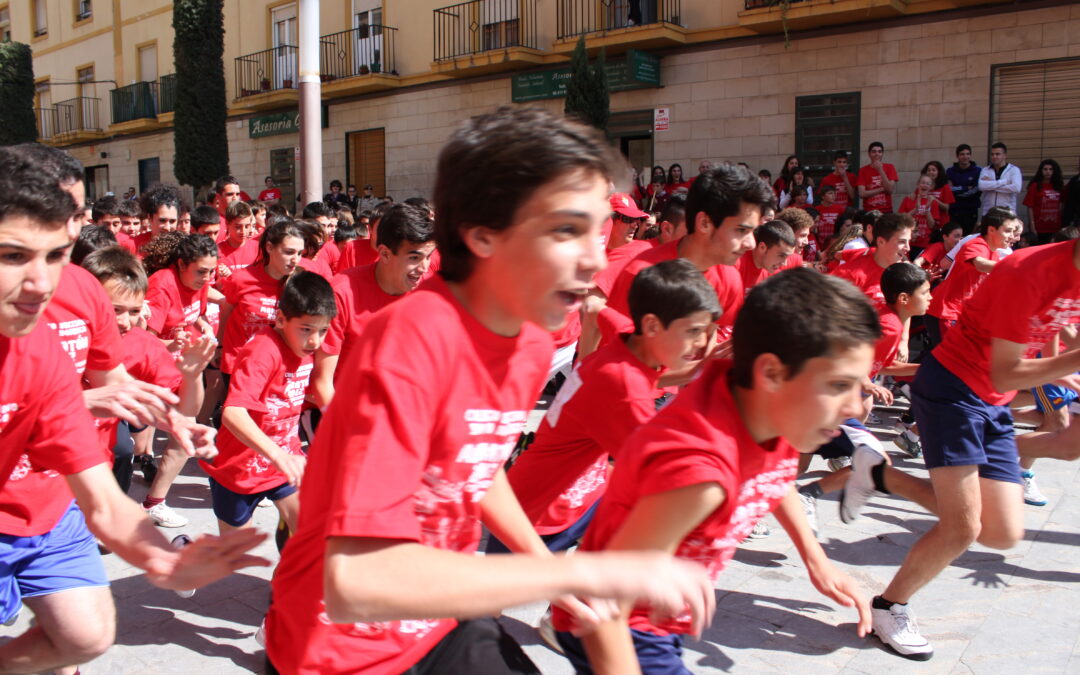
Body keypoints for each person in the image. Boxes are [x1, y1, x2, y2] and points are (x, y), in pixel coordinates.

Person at [265, 107, 716, 675]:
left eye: (598, 230)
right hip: (338, 652)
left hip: (438, 620)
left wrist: (544, 563)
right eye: (567, 230)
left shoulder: (530, 338)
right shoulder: (412, 340)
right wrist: (574, 572)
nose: (597, 257)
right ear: (482, 235)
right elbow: (357, 581)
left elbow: (473, 465)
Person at [0, 144, 267, 675]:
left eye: (56, 254)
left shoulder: (45, 342)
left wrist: (163, 559)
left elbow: (101, 495)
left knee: (86, 635)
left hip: (48, 511)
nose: (42, 284)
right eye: (14, 256)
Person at [552, 268, 874, 672]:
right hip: (625, 626)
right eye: (838, 385)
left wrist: (817, 561)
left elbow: (772, 478)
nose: (855, 408)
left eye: (858, 387)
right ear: (772, 372)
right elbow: (605, 598)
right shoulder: (698, 472)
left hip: (657, 615)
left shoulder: (773, 407)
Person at [841, 231, 1080, 661]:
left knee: (1002, 532)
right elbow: (1007, 372)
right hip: (954, 389)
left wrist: (1058, 357)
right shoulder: (1027, 271)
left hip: (993, 401)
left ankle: (879, 473)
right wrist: (1068, 361)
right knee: (962, 528)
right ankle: (888, 607)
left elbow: (1056, 321)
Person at [500, 260, 719, 557]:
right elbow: (664, 472)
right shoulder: (625, 392)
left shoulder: (630, 335)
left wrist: (700, 368)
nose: (702, 342)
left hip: (576, 500)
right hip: (537, 517)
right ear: (653, 325)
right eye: (693, 331)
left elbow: (596, 308)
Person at [202, 270, 334, 542]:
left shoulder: (305, 350)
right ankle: (184, 553)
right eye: (306, 329)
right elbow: (233, 413)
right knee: (231, 553)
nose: (315, 341)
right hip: (241, 468)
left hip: (286, 461)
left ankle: (287, 581)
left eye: (322, 330)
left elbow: (298, 395)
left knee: (309, 532)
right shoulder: (263, 352)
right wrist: (276, 454)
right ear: (281, 319)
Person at [80, 246, 213, 496]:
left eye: (134, 311)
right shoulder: (56, 334)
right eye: (115, 309)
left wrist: (192, 375)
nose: (124, 321)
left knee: (121, 451)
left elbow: (186, 410)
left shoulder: (140, 342)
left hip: (98, 461)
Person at [310, 204, 437, 408]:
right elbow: (322, 381)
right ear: (385, 254)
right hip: (353, 415)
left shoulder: (431, 292)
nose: (424, 268)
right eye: (414, 258)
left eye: (429, 257)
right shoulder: (342, 292)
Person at [141, 234, 219, 527]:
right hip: (152, 371)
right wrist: (170, 343)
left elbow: (195, 316)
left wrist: (205, 328)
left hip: (182, 368)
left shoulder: (200, 282)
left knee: (185, 432)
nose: (207, 278)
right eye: (201, 271)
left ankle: (154, 503)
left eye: (211, 271)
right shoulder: (162, 284)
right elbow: (143, 340)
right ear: (181, 264)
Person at [923, 207, 1021, 349]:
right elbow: (980, 264)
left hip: (961, 315)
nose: (1012, 236)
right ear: (992, 230)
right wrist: (1015, 267)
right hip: (945, 313)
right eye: (1007, 231)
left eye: (1013, 231)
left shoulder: (993, 251)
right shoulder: (976, 244)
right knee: (949, 361)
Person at [832, 213, 914, 310]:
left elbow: (904, 315)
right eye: (902, 242)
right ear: (880, 242)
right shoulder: (849, 275)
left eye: (909, 241)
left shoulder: (904, 273)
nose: (908, 248)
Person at [736, 219, 796, 292]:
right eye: (781, 255)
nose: (784, 263)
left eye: (787, 257)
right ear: (762, 247)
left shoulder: (773, 276)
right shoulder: (736, 265)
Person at [1023, 158, 1065, 242]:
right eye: (1045, 169)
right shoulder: (1035, 186)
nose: (1048, 172)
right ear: (1041, 171)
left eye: (1050, 169)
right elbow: (1030, 207)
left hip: (1055, 228)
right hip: (1038, 228)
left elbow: (1062, 206)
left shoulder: (1059, 186)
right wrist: (1032, 226)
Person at [216, 200, 260, 280]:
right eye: (238, 227)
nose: (243, 231)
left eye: (247, 226)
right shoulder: (217, 251)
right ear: (227, 224)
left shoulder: (258, 248)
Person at [132, 184, 182, 254]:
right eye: (162, 220)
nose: (167, 227)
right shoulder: (132, 246)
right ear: (150, 218)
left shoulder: (183, 249)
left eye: (172, 221)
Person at [899, 174, 942, 253]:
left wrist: (927, 209)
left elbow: (932, 226)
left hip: (925, 243)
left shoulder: (933, 202)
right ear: (918, 184)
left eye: (927, 183)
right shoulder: (908, 199)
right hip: (908, 241)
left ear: (931, 187)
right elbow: (900, 219)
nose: (924, 185)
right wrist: (915, 210)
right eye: (922, 182)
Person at [978, 142, 1023, 216]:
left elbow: (1016, 188)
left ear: (1005, 155)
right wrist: (1004, 182)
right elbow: (981, 186)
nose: (994, 156)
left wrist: (991, 185)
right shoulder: (985, 170)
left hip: (1007, 213)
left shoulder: (1014, 170)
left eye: (997, 154)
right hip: (988, 213)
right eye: (992, 154)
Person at [946, 144, 982, 233]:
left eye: (967, 154)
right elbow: (949, 190)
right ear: (957, 156)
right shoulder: (950, 171)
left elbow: (976, 190)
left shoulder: (978, 171)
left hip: (971, 210)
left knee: (968, 237)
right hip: (954, 210)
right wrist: (966, 187)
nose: (965, 157)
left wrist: (957, 190)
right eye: (962, 154)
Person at [858, 142, 898, 213]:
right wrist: (882, 189)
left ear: (882, 154)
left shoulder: (890, 167)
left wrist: (880, 169)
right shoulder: (863, 170)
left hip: (886, 211)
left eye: (879, 151)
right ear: (869, 154)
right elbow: (862, 194)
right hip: (869, 212)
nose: (877, 154)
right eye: (874, 151)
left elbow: (889, 190)